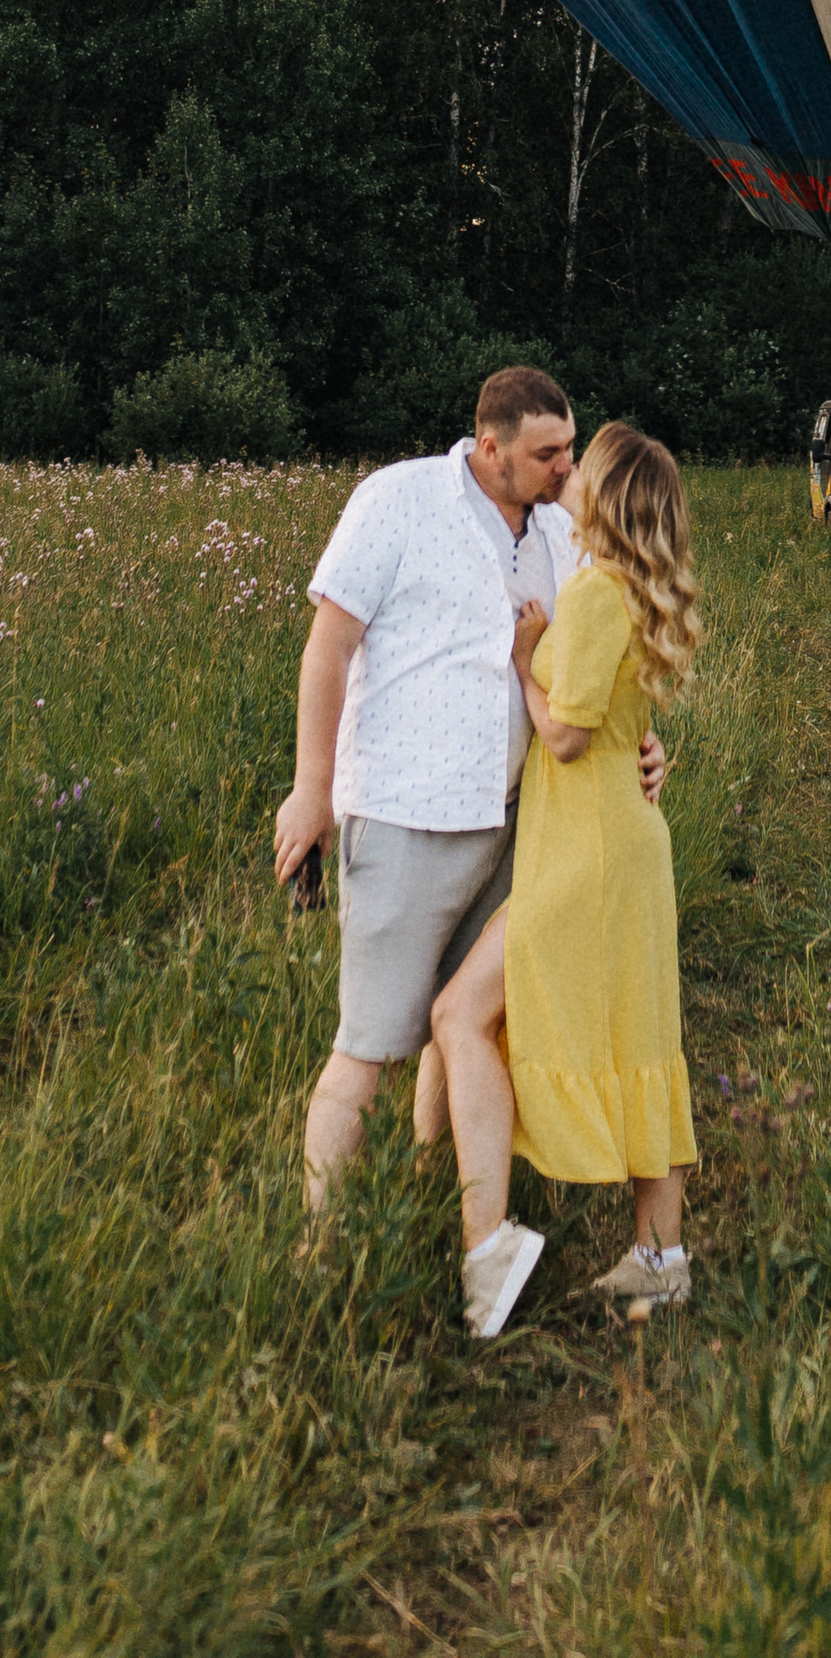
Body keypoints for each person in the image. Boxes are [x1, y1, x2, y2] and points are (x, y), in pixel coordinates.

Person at [271, 365, 668, 1215]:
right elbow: (328, 648)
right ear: (490, 447)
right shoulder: (399, 500)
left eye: (570, 449)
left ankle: (424, 1200)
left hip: (525, 823)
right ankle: (317, 1246)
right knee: (370, 1046)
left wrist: (642, 742)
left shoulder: (566, 532)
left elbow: (589, 674)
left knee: (467, 1028)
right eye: (546, 453)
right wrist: (313, 790)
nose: (567, 468)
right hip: (409, 814)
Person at [430, 423, 702, 1340]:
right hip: (619, 845)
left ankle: (490, 1244)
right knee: (639, 1031)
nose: (568, 474)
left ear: (608, 493)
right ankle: (660, 1258)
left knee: (463, 1010)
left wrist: (522, 661)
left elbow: (568, 736)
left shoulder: (592, 597)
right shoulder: (626, 592)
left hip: (585, 854)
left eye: (582, 466)